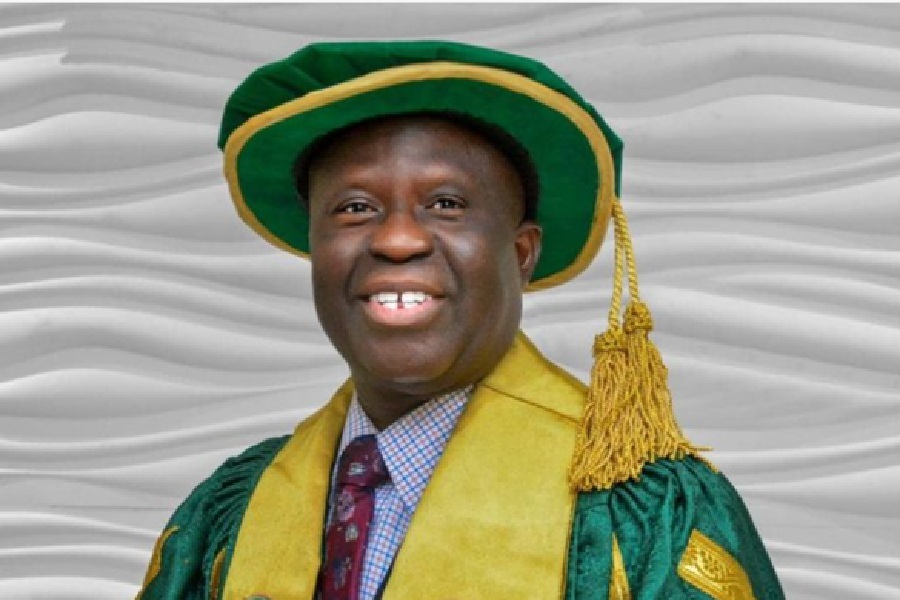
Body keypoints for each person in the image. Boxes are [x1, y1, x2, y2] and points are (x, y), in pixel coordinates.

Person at [136, 41, 785, 600]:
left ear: (521, 254)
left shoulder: (637, 512)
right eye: (355, 208)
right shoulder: (231, 513)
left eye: (446, 204)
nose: (396, 240)